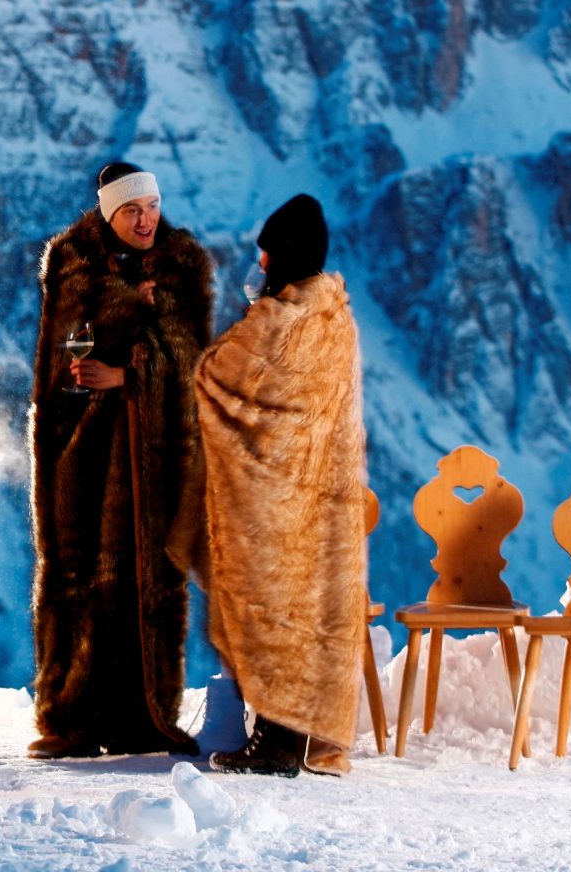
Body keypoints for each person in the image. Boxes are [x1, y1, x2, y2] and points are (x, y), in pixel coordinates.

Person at [28, 162, 212, 759]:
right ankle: (74, 715)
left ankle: (143, 713)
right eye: (131, 210)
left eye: (151, 205)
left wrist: (130, 370)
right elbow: (59, 358)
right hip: (84, 451)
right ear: (109, 213)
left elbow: (191, 363)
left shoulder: (182, 267)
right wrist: (126, 309)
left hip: (154, 454)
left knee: (147, 581)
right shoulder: (72, 264)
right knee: (84, 581)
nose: (145, 219)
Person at [194, 192, 369, 777]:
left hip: (273, 498)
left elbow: (216, 376)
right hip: (322, 498)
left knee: (269, 611)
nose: (259, 266)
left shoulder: (277, 320)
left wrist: (248, 319)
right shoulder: (337, 317)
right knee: (306, 614)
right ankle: (290, 736)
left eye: (266, 255)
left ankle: (273, 743)